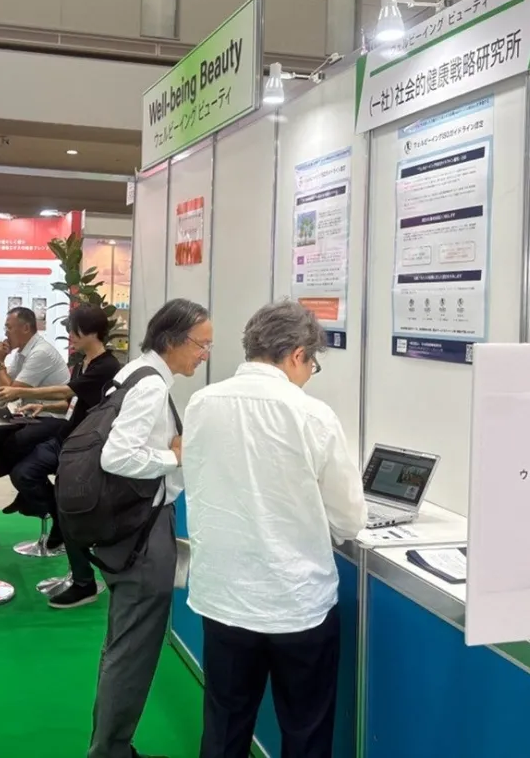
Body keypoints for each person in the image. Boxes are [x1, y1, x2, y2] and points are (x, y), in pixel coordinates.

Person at [181, 301, 366, 758]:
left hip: (223, 596)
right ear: (298, 354)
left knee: (225, 726)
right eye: (312, 364)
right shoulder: (312, 415)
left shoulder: (202, 404)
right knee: (305, 730)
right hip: (296, 603)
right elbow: (348, 520)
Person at [88, 298, 212, 758]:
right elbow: (117, 457)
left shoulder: (135, 374)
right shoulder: (150, 387)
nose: (205, 354)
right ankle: (110, 749)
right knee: (133, 650)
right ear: (172, 340)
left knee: (124, 643)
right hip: (143, 532)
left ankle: (110, 745)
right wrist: (173, 458)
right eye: (201, 344)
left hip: (129, 528)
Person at [0, 305, 122, 609]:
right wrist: (44, 407)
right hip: (67, 439)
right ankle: (55, 522)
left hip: (85, 449)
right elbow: (71, 399)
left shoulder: (107, 366)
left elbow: (66, 389)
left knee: (70, 512)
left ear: (91, 331)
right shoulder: (83, 363)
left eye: (74, 330)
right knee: (23, 472)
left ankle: (83, 582)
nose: (70, 336)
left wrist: (23, 394)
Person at [0, 306, 71, 479]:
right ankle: (24, 482)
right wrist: (0, 362)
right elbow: (6, 393)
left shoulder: (40, 352)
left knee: (15, 442)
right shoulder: (22, 352)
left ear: (25, 328)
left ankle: (26, 481)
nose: (6, 333)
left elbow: (11, 392)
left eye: (9, 327)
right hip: (33, 415)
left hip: (54, 416)